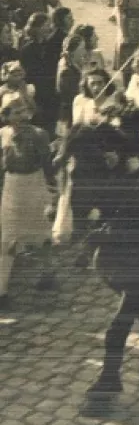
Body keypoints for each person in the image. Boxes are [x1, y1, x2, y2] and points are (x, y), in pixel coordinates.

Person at [0, 94, 57, 311]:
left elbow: (47, 166)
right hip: (12, 188)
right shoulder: (2, 135)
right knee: (7, 240)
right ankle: (2, 291)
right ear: (6, 115)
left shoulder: (39, 134)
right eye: (16, 112)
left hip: (34, 184)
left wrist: (52, 194)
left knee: (40, 234)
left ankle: (47, 273)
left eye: (25, 111)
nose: (22, 116)